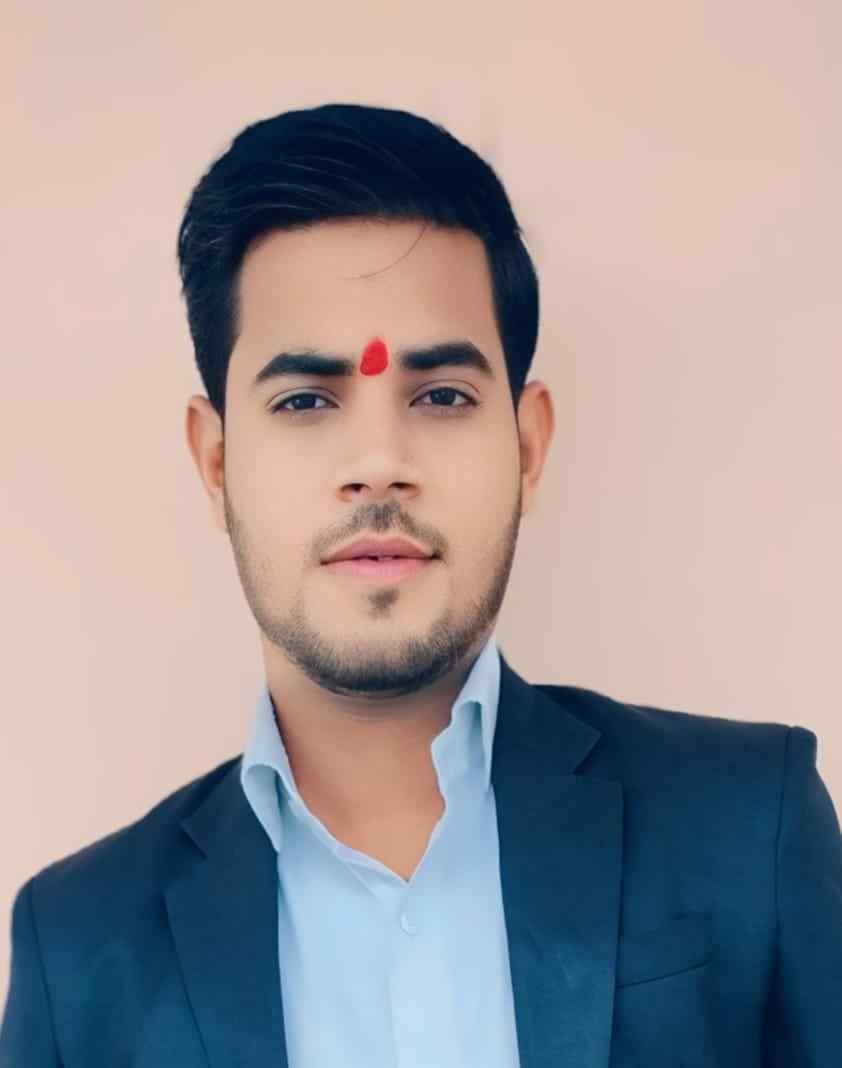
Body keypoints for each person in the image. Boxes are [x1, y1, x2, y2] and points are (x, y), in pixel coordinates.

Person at [2, 102, 840, 1068]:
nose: (378, 464)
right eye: (305, 400)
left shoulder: (748, 828)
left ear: (527, 446)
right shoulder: (79, 953)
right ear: (217, 463)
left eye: (441, 396)